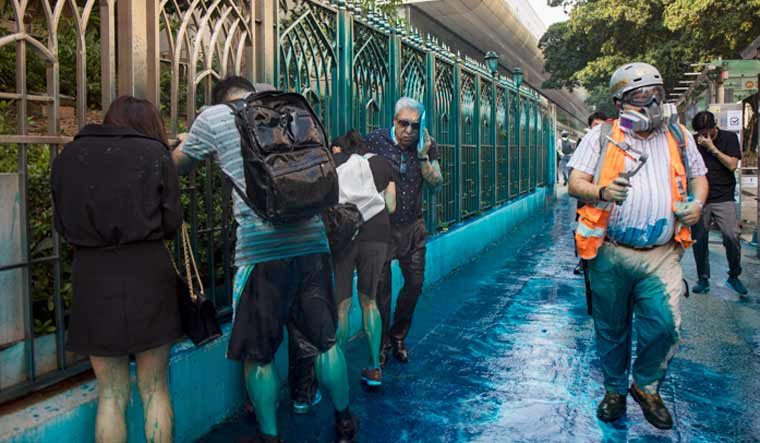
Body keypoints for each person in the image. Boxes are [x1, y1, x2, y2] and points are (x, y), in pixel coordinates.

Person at [172, 76, 359, 443]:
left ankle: (269, 436)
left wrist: (185, 144)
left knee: (258, 355)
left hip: (261, 252)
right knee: (326, 341)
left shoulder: (214, 118)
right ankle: (345, 422)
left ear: (220, 100)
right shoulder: (286, 111)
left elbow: (175, 166)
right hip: (312, 244)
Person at [568, 62, 708, 430]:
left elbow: (699, 179)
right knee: (611, 329)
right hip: (610, 252)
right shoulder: (600, 137)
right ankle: (614, 391)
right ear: (620, 104)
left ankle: (645, 387)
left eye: (656, 95)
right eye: (639, 97)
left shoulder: (678, 136)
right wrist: (600, 191)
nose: (650, 105)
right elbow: (574, 182)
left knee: (664, 326)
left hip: (661, 254)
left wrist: (696, 204)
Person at [52, 96, 182, 443]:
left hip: (92, 276)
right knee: (154, 389)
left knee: (110, 394)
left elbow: (62, 225)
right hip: (148, 273)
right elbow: (172, 223)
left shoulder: (68, 158)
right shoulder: (155, 156)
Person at [364, 97, 444, 367]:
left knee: (415, 284)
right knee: (381, 292)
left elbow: (437, 183)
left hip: (413, 226)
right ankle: (383, 344)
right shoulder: (374, 141)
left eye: (415, 125)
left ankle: (398, 335)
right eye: (404, 124)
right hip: (381, 228)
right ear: (394, 121)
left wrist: (422, 155)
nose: (409, 131)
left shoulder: (426, 145)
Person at [329, 130, 397, 386]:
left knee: (342, 305)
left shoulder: (333, 161)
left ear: (338, 148)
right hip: (377, 228)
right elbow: (391, 206)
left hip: (345, 230)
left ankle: (339, 370)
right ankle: (375, 368)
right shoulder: (380, 163)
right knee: (370, 302)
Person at [690, 111, 747, 295]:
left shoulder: (729, 138)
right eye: (701, 133)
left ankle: (734, 275)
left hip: (724, 196)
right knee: (699, 239)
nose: (704, 136)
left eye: (708, 132)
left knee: (731, 235)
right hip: (700, 197)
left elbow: (732, 165)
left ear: (715, 127)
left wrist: (711, 147)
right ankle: (703, 278)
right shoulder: (692, 141)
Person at [573, 111, 609, 275]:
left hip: (606, 194)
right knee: (584, 226)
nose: (599, 128)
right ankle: (583, 261)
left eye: (602, 124)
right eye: (596, 125)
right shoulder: (586, 142)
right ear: (590, 126)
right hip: (588, 192)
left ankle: (596, 260)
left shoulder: (613, 142)